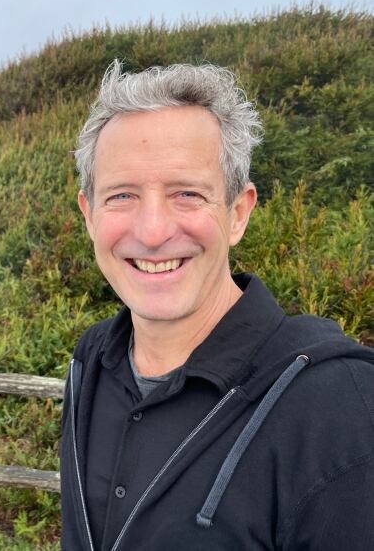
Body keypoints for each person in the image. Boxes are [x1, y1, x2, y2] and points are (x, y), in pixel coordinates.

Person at [60, 61, 374, 551]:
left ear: (237, 213)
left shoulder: (339, 409)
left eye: (187, 194)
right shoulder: (91, 362)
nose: (152, 231)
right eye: (121, 195)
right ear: (89, 214)